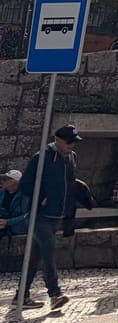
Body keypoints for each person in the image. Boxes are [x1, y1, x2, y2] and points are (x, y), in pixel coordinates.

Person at [16, 124, 82, 310]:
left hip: (58, 214)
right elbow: (26, 185)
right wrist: (40, 201)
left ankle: (20, 296)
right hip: (40, 214)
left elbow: (69, 185)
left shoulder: (71, 157)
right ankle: (54, 293)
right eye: (69, 142)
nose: (72, 146)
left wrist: (70, 211)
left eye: (74, 142)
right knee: (48, 250)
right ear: (58, 140)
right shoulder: (42, 157)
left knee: (35, 255)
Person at [0, 168, 29, 242]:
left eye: (6, 179)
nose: (2, 181)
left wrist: (8, 222)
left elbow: (26, 215)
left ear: (15, 182)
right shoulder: (1, 192)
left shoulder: (24, 195)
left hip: (15, 225)